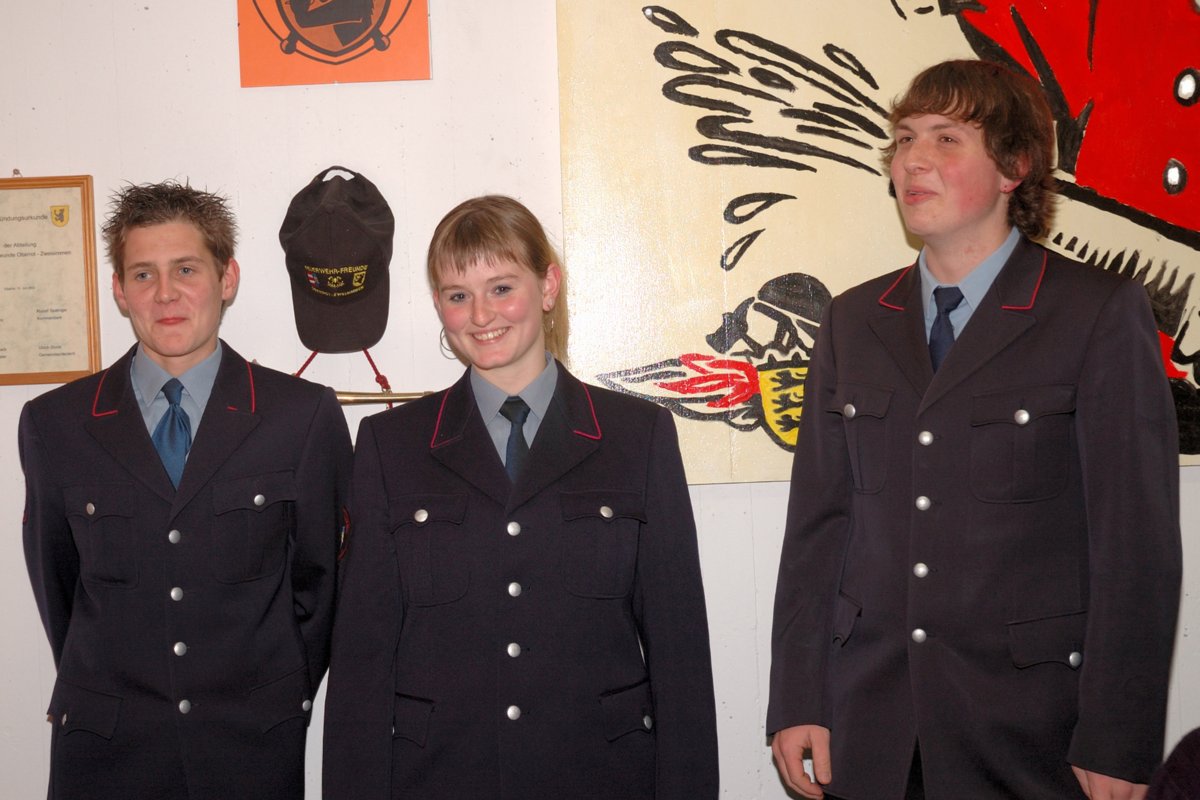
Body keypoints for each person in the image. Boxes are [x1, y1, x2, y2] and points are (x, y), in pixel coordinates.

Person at [767, 59, 1182, 800]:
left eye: (946, 138)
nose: (913, 160)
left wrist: (1119, 738)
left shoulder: (1094, 313)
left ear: (1013, 167)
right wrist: (799, 698)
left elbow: (1136, 546)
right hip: (872, 727)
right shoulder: (853, 321)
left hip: (1031, 734)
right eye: (902, 140)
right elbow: (818, 531)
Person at [322, 195, 719, 800]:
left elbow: (679, 648)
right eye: (458, 295)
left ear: (548, 285)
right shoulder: (389, 445)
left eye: (501, 287)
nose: (481, 314)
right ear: (439, 307)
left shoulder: (638, 437)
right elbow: (361, 661)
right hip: (439, 778)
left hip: (600, 776)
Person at [20, 181, 353, 799]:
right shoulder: (55, 424)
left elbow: (321, 586)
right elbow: (57, 585)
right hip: (105, 750)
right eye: (143, 274)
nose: (165, 294)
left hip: (250, 745)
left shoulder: (301, 417)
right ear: (119, 290)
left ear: (227, 278)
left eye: (186, 269)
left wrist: (273, 691)